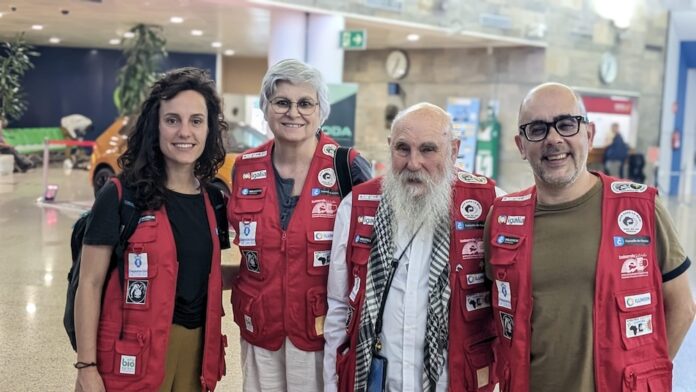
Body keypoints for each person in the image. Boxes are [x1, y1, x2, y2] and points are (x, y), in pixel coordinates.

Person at [485, 82, 695, 391]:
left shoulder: (640, 209)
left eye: (566, 124)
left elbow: (681, 306)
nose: (554, 139)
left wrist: (645, 374)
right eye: (537, 129)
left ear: (589, 134)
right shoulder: (502, 217)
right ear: (520, 145)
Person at [324, 103, 502, 392]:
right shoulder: (356, 206)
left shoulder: (489, 204)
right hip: (374, 381)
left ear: (453, 151)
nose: (413, 163)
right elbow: (338, 306)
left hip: (454, 382)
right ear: (389, 146)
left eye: (428, 150)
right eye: (403, 149)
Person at [74, 67, 229, 392]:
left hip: (196, 351)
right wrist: (87, 368)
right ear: (154, 127)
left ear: (209, 128)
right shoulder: (122, 195)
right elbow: (89, 283)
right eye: (172, 120)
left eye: (196, 121)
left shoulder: (213, 199)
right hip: (132, 352)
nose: (184, 131)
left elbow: (205, 271)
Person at [226, 59, 372, 391]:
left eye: (305, 103)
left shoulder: (346, 167)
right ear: (265, 109)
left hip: (323, 332)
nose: (293, 112)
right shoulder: (244, 168)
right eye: (282, 102)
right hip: (260, 327)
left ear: (321, 111)